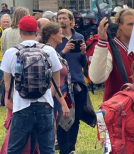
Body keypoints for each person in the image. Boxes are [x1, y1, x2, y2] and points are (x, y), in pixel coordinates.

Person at [1, 15, 70, 154]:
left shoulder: (10, 53)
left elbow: (8, 87)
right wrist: (47, 96)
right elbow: (56, 84)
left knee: (14, 149)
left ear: (20, 31)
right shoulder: (49, 51)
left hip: (21, 108)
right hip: (45, 107)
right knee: (47, 150)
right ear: (37, 30)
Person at [55, 9, 96, 154]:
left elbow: (83, 63)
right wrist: (64, 51)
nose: (61, 21)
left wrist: (84, 53)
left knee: (76, 118)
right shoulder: (56, 39)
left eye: (64, 18)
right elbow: (54, 62)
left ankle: (71, 148)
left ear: (71, 21)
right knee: (62, 119)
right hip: (63, 84)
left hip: (78, 82)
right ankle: (63, 149)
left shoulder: (79, 36)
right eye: (59, 18)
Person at [89, 8, 134, 102]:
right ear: (120, 26)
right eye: (131, 24)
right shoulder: (111, 48)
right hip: (116, 108)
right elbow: (97, 78)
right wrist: (102, 42)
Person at [40, 22, 74, 129]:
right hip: (53, 98)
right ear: (52, 35)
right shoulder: (48, 52)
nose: (62, 36)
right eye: (60, 33)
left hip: (58, 96)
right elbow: (53, 82)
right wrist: (63, 103)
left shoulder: (53, 51)